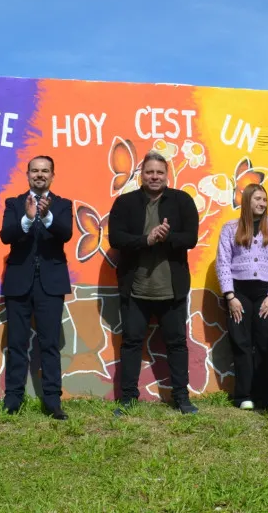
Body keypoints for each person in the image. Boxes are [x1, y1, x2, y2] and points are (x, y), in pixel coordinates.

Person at [109, 151, 200, 415]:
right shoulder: (125, 203)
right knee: (131, 344)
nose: (154, 176)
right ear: (141, 174)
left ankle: (181, 398)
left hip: (171, 289)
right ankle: (127, 399)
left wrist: (167, 237)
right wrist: (146, 240)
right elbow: (116, 238)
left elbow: (191, 239)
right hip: (135, 288)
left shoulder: (182, 201)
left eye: (160, 172)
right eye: (149, 172)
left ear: (167, 175)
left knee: (176, 344)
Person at [0, 156, 73, 420]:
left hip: (50, 284)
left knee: (49, 344)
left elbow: (65, 234)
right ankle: (12, 399)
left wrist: (46, 215)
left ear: (52, 175)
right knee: (16, 344)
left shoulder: (62, 204)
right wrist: (27, 219)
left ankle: (52, 401)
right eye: (35, 171)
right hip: (19, 283)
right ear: (27, 174)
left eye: (45, 171)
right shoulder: (14, 204)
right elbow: (6, 235)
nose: (40, 175)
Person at [216, 183, 268, 411]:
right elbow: (222, 263)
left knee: (267, 342)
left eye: (264, 200)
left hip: (267, 292)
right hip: (238, 293)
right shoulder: (230, 228)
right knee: (241, 343)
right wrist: (230, 296)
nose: (262, 203)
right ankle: (243, 395)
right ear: (246, 201)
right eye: (257, 199)